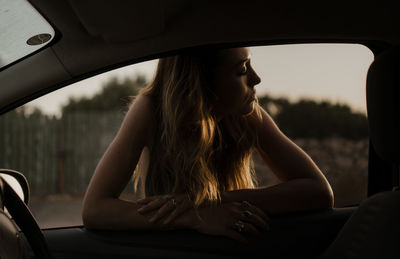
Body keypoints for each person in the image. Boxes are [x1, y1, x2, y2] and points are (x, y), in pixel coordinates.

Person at [82, 47, 334, 242]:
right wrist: (193, 216)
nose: (256, 79)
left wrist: (211, 203)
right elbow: (95, 209)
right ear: (201, 82)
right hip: (172, 248)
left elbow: (319, 192)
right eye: (242, 69)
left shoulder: (248, 114)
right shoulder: (151, 109)